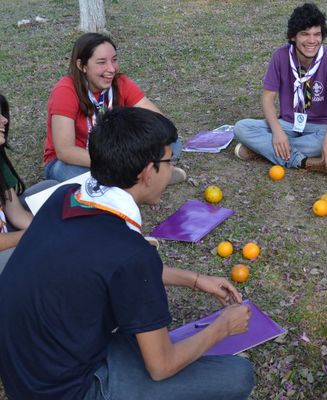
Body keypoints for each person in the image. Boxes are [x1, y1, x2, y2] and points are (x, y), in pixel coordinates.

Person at [0, 107, 255, 399]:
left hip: (25, 373)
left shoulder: (65, 196)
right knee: (237, 375)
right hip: (67, 390)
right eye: (170, 162)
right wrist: (223, 326)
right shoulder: (131, 253)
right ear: (148, 172)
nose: (171, 170)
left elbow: (111, 268)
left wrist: (194, 279)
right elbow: (161, 366)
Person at [43, 32, 186, 184]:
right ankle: (150, 175)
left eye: (114, 60)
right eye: (102, 62)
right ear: (82, 66)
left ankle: (135, 178)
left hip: (118, 152)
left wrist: (133, 148)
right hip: (76, 161)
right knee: (70, 173)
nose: (111, 69)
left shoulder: (120, 83)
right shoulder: (65, 90)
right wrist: (117, 162)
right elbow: (65, 151)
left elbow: (159, 122)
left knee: (173, 142)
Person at [233, 2, 327, 176]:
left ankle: (259, 151)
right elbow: (267, 99)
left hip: (318, 127)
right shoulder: (281, 56)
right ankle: (303, 161)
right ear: (293, 36)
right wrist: (278, 133)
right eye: (305, 34)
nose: (312, 41)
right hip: (287, 123)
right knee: (241, 128)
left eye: (317, 34)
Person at [0, 94, 58, 274]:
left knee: (51, 189)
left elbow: (15, 212)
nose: (4, 120)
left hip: (4, 227)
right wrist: (37, 234)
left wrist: (47, 228)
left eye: (2, 113)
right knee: (29, 260)